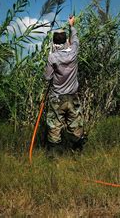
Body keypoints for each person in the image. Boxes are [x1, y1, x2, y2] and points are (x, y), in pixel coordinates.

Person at [44, 15, 86, 156]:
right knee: (75, 125)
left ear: (54, 42)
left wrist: (52, 57)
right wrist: (71, 24)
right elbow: (75, 38)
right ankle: (77, 153)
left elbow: (47, 77)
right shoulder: (73, 52)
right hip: (73, 97)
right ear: (66, 41)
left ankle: (54, 156)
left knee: (54, 126)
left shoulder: (52, 57)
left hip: (57, 98)